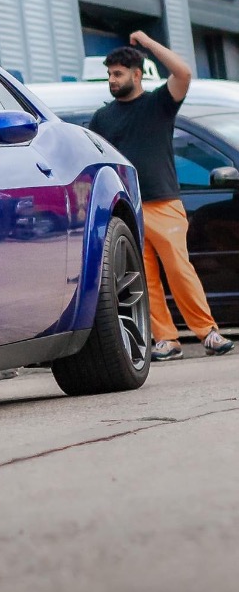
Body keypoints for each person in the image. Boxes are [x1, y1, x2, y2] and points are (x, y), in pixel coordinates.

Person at [88, 31, 234, 360]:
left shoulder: (158, 104)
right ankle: (165, 339)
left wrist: (147, 43)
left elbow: (182, 73)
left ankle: (207, 332)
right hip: (127, 209)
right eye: (109, 74)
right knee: (144, 278)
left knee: (179, 269)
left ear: (136, 74)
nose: (111, 80)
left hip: (163, 202)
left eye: (118, 73)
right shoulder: (102, 117)